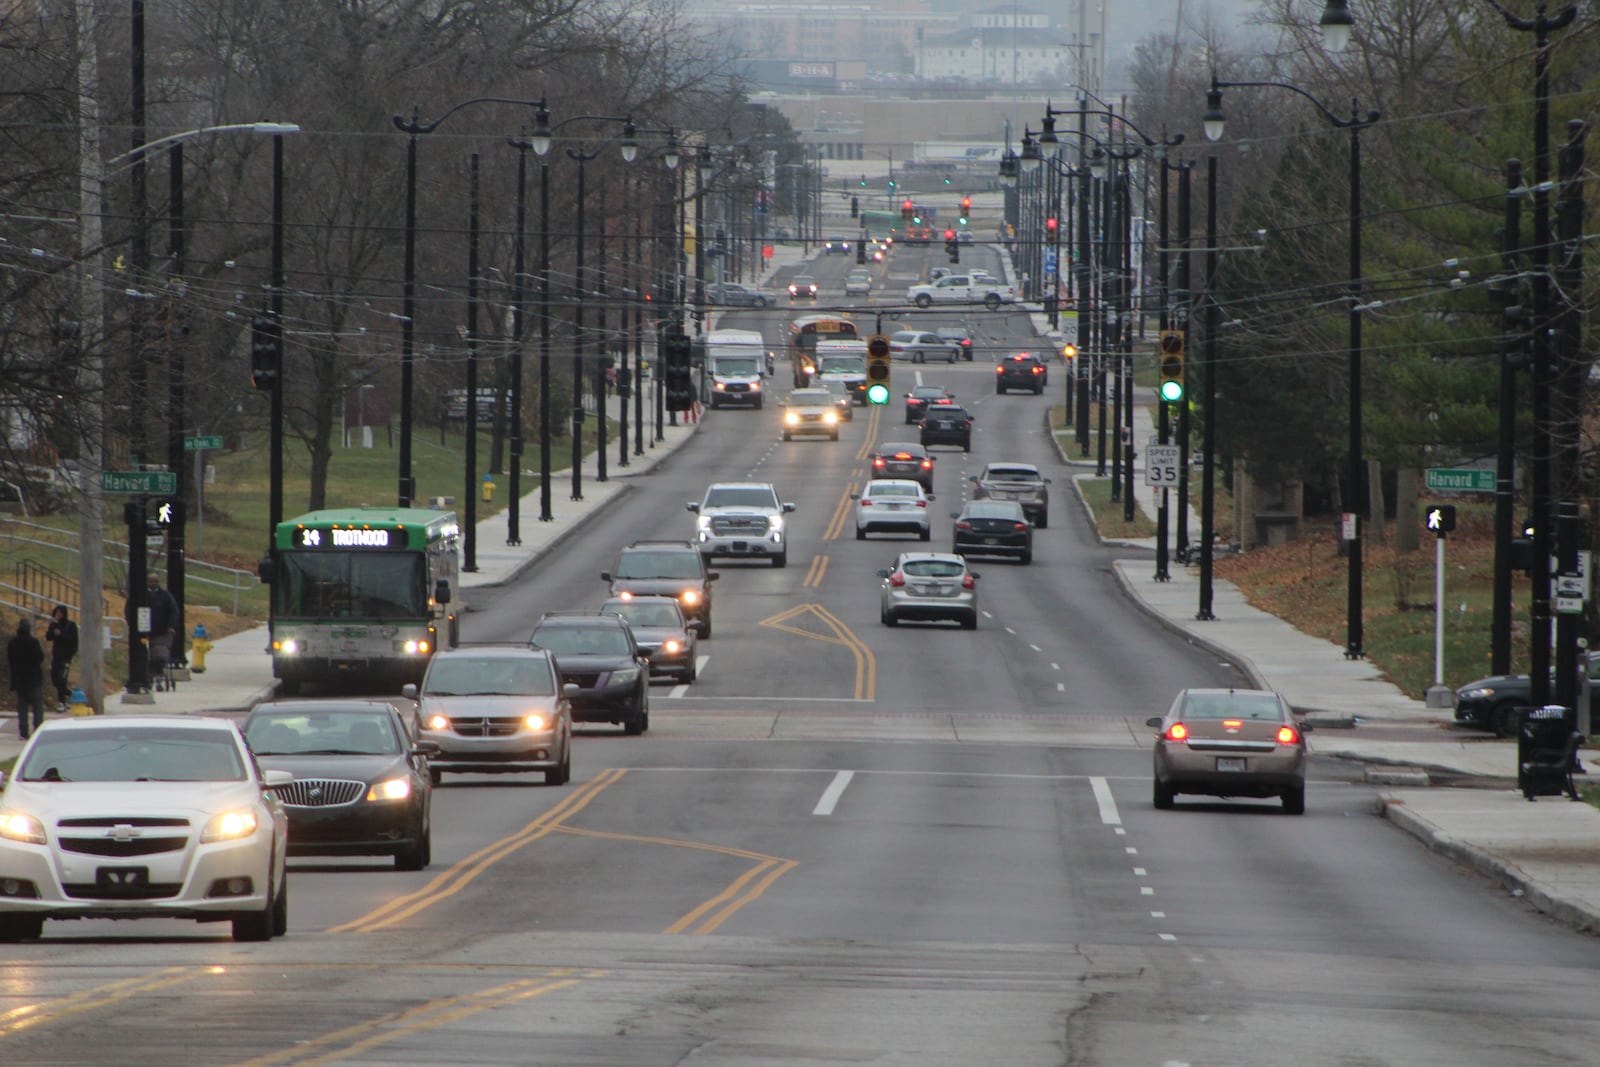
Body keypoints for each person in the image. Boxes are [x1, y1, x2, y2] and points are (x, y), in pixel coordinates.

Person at [7, 616, 46, 740]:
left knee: (22, 707)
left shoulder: (12, 643)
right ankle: (38, 729)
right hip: (33, 678)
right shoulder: (33, 642)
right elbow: (40, 658)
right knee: (37, 707)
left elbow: (10, 660)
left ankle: (23, 732)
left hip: (19, 679)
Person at [145, 574, 180, 686]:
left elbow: (174, 611)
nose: (153, 583)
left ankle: (158, 672)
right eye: (151, 581)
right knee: (146, 654)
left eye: (155, 581)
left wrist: (171, 626)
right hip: (145, 631)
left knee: (159, 653)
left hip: (161, 631)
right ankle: (148, 673)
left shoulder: (165, 596)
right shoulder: (141, 594)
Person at [44, 604, 79, 711]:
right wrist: (53, 629)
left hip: (66, 657)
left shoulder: (70, 625)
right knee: (55, 679)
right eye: (56, 613)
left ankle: (61, 702)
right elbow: (49, 637)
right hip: (56, 656)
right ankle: (70, 694)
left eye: (60, 613)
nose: (58, 615)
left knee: (61, 679)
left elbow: (72, 641)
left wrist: (61, 634)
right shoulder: (54, 624)